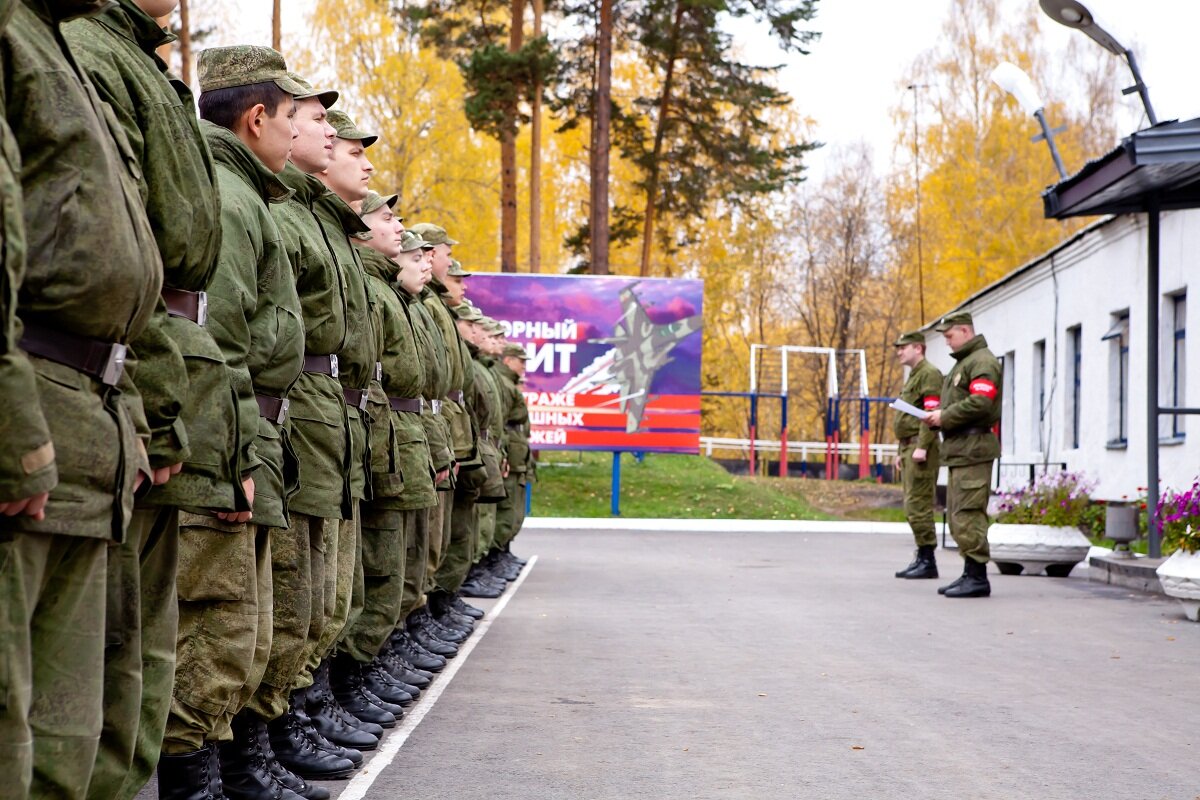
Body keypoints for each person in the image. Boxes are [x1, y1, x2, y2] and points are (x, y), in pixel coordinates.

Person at [62, 4, 235, 797]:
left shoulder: (139, 61)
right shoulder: (90, 47)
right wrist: (155, 414)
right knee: (93, 663)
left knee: (139, 647)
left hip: (153, 376)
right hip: (106, 377)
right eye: (309, 118)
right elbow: (116, 257)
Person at [1, 1, 163, 796]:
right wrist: (13, 431)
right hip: (31, 399)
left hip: (85, 409)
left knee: (66, 728)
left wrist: (127, 418)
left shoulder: (54, 37)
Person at [160, 45, 306, 800]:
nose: (299, 133)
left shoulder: (248, 194)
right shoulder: (228, 192)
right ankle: (197, 784)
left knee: (238, 628)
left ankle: (226, 772)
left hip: (244, 429)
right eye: (294, 117)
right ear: (256, 119)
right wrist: (230, 456)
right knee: (216, 628)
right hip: (223, 435)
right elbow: (213, 343)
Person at [253, 72, 361, 798]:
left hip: (325, 417)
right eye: (313, 119)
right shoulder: (278, 211)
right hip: (287, 413)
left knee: (320, 593)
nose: (325, 132)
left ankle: (302, 713)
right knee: (277, 601)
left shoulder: (310, 216)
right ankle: (251, 749)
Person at [923, 311, 1002, 599]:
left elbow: (981, 403)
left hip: (974, 448)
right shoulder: (965, 363)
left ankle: (978, 576)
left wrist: (944, 416)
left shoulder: (982, 362)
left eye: (949, 336)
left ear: (966, 332)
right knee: (957, 514)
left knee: (968, 512)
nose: (947, 342)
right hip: (960, 450)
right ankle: (970, 572)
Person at [891, 331, 943, 580]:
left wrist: (922, 445)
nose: (899, 352)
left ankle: (928, 559)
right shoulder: (915, 375)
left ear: (918, 348)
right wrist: (900, 450)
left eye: (903, 347)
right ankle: (922, 555)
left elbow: (931, 413)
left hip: (921, 448)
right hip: (909, 447)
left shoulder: (929, 374)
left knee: (919, 505)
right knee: (912, 506)